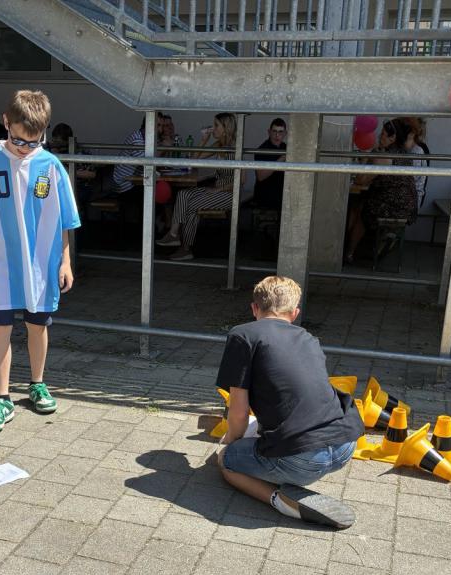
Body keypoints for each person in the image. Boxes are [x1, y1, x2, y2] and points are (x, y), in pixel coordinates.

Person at [0, 90, 81, 432]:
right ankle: (2, 396)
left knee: (38, 325)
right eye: (19, 141)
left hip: (40, 266)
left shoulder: (50, 166)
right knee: (0, 327)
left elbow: (64, 220)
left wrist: (65, 261)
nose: (25, 148)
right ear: (6, 123)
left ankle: (38, 383)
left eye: (33, 142)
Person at [214, 276, 363, 525]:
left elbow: (238, 412)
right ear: (295, 313)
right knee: (259, 432)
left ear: (254, 308)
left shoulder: (243, 335)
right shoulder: (309, 338)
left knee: (227, 461)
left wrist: (229, 442)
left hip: (302, 459)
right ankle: (283, 472)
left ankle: (280, 501)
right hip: (344, 445)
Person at [155, 112, 240, 261]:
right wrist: (204, 139)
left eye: (216, 125)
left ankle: (185, 249)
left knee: (192, 204)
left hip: (230, 193)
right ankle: (174, 234)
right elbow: (194, 160)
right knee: (183, 194)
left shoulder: (235, 149)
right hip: (216, 189)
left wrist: (218, 189)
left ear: (226, 128)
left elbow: (241, 181)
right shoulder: (219, 145)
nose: (213, 128)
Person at [344, 118, 419, 264]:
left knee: (361, 211)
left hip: (392, 206)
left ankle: (349, 252)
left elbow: (360, 180)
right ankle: (359, 248)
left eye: (383, 135)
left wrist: (366, 157)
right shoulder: (405, 154)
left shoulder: (384, 157)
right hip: (408, 206)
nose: (379, 137)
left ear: (393, 138)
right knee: (361, 205)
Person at [252, 118, 287, 210]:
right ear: (269, 132)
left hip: (282, 198)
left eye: (280, 132)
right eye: (274, 131)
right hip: (265, 199)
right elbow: (260, 176)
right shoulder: (262, 150)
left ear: (285, 134)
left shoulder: (286, 148)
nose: (277, 135)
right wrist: (282, 159)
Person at [403, 116, 431, 212]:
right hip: (412, 195)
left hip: (413, 197)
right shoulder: (416, 148)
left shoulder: (417, 150)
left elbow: (412, 178)